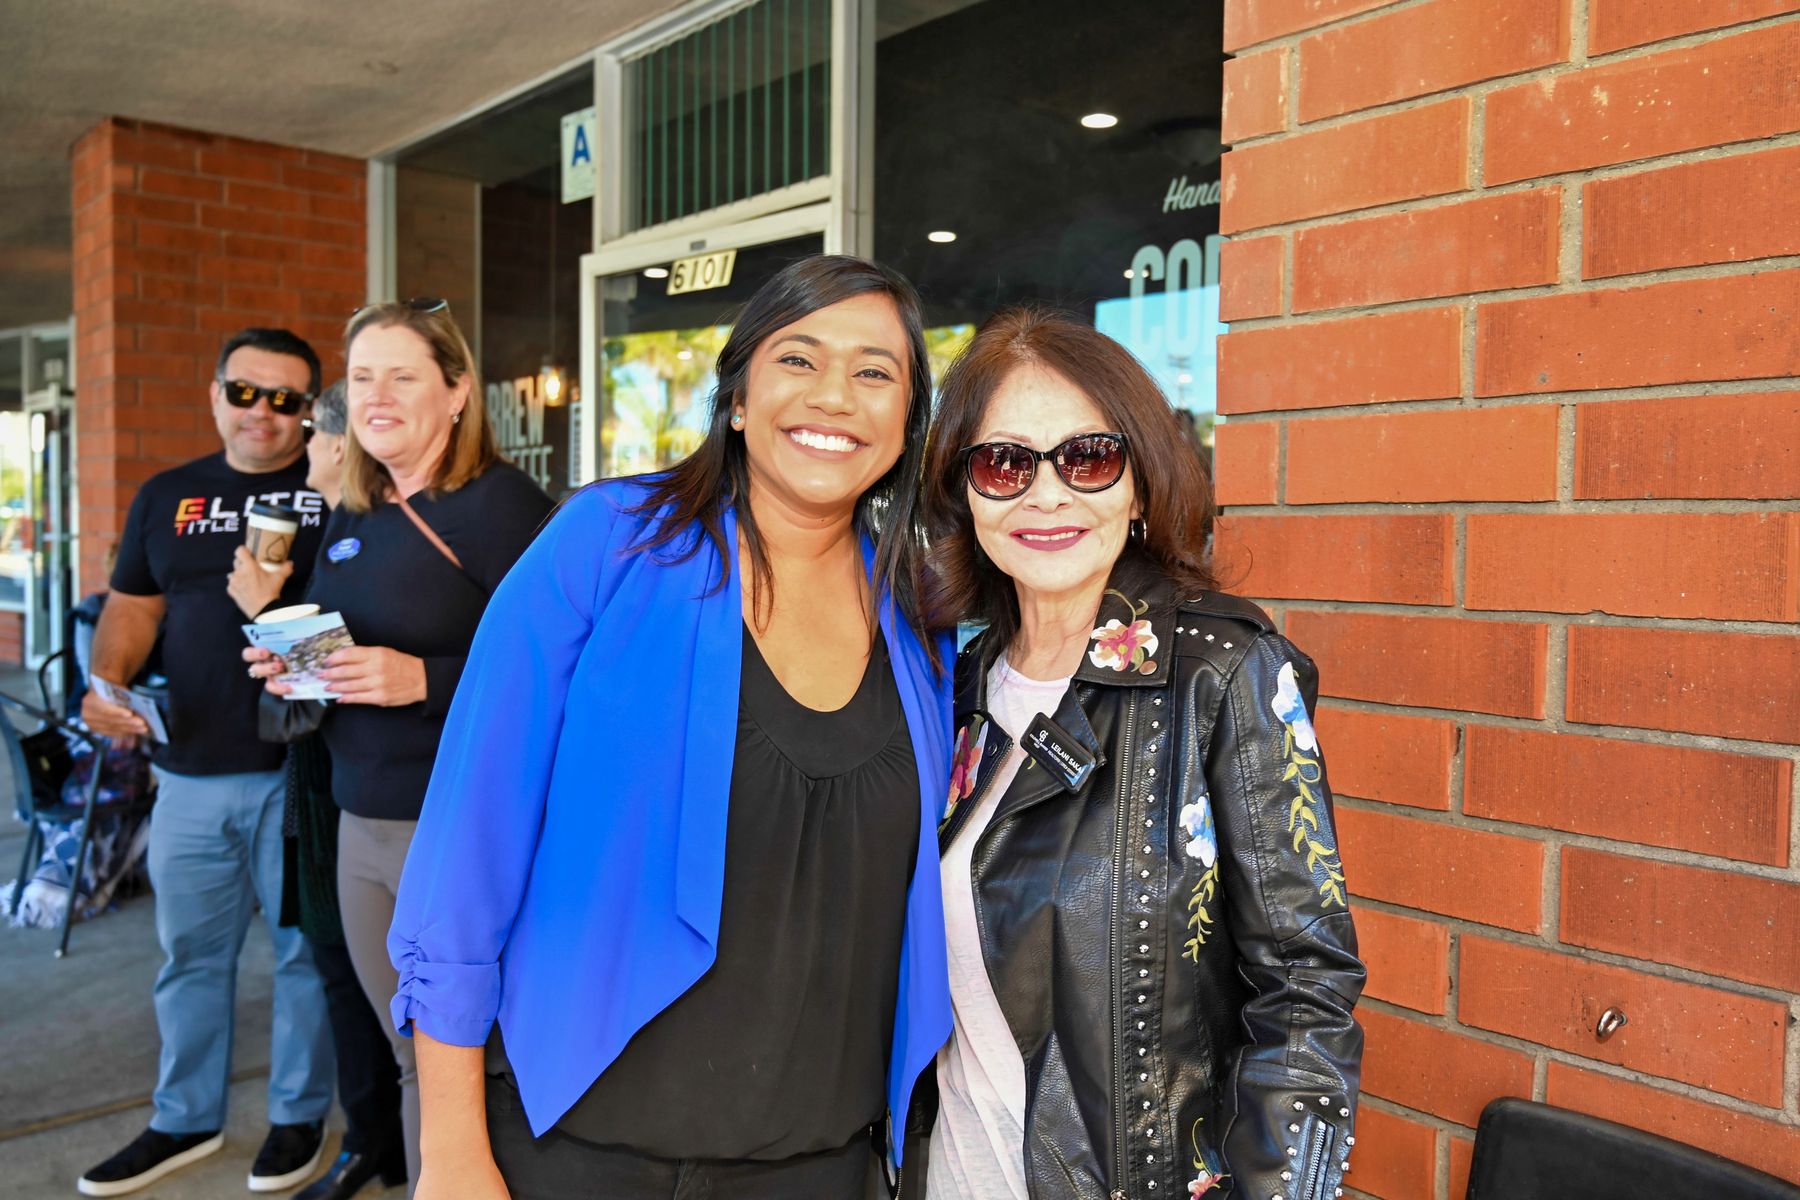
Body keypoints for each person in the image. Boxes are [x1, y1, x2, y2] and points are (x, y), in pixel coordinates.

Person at [384, 255, 954, 1200]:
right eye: (798, 359)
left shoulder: (923, 620)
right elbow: (466, 849)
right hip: (573, 1151)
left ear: (905, 424)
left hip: (819, 1166)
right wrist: (450, 1151)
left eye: (874, 372)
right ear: (739, 399)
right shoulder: (609, 542)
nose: (834, 395)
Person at [917, 309, 1365, 1200]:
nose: (1047, 495)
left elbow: (1305, 992)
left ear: (1141, 483)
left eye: (1088, 458)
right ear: (964, 492)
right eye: (1005, 463)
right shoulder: (956, 684)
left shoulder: (1224, 673)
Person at [246, 299, 553, 1194]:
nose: (375, 397)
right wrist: (291, 662)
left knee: (477, 1063)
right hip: (359, 821)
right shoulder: (358, 510)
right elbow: (346, 650)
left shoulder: (503, 508)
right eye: (361, 378)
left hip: (462, 827)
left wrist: (426, 680)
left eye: (402, 375)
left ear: (456, 392)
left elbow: (574, 666)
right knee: (412, 1055)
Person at [77, 328, 335, 1197]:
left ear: (310, 411)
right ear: (216, 393)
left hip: (300, 771)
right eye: (245, 392)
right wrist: (106, 683)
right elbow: (133, 607)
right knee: (188, 955)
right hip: (185, 771)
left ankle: (299, 1116)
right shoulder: (167, 495)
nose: (263, 412)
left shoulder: (334, 491)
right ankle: (184, 1118)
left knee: (303, 955)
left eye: (286, 399)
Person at [231, 379, 408, 1200]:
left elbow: (337, 676)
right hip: (329, 774)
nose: (304, 452)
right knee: (341, 966)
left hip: (362, 784)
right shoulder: (338, 527)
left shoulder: (372, 530)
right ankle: (378, 1139)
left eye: (312, 437)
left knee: (357, 968)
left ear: (339, 445)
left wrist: (269, 607)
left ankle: (383, 1141)